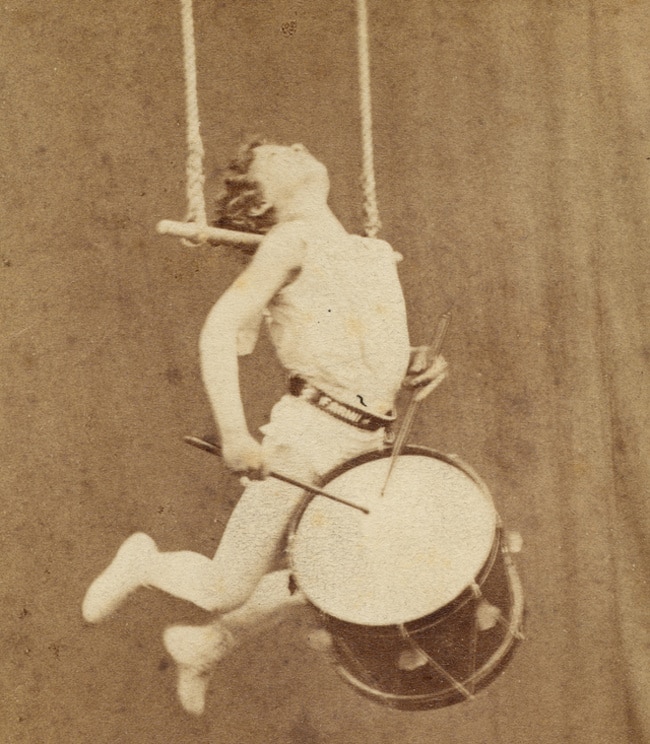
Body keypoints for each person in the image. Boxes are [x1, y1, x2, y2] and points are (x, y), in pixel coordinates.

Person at [82, 140, 447, 714]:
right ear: (260, 204)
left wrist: (415, 362)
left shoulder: (370, 250)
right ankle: (145, 562)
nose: (297, 146)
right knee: (225, 588)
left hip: (367, 443)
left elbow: (362, 349)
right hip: (308, 438)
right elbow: (218, 332)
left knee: (335, 576)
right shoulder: (289, 241)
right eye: (276, 154)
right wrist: (234, 433)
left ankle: (204, 646)